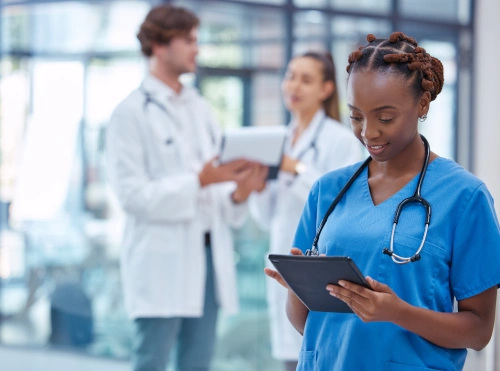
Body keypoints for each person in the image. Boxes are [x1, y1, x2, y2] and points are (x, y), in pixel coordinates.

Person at [265, 32, 500, 371]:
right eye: (356, 116)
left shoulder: (464, 197)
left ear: (422, 104)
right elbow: (307, 324)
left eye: (385, 118)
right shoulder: (327, 191)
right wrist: (298, 288)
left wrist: (396, 312)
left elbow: (478, 331)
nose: (368, 133)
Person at [106, 5, 267, 371]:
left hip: (208, 259)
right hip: (161, 262)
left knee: (197, 363)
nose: (198, 49)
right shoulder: (130, 113)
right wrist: (200, 180)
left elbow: (216, 192)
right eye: (190, 41)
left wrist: (240, 191)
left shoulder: (201, 108)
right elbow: (133, 197)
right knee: (152, 360)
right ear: (160, 46)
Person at [250, 51, 362, 370]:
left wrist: (295, 168)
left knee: (319, 353)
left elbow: (341, 201)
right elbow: (266, 216)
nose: (293, 85)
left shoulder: (340, 140)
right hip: (285, 260)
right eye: (290, 76)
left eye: (306, 79)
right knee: (290, 358)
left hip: (319, 266)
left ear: (326, 89)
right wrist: (258, 187)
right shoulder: (279, 139)